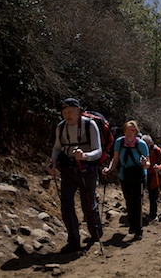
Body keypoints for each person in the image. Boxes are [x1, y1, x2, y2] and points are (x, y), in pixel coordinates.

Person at [48, 98, 103, 253]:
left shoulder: (89, 125)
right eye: (64, 112)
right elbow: (57, 147)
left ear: (79, 111)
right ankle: (73, 241)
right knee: (66, 204)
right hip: (68, 170)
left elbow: (98, 150)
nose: (68, 115)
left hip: (87, 170)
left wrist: (85, 155)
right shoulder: (61, 127)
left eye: (71, 112)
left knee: (88, 204)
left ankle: (96, 232)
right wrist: (53, 162)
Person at [102, 120, 150, 240]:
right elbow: (116, 159)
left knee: (137, 201)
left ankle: (138, 230)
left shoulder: (142, 144)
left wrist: (145, 163)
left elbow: (147, 163)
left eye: (132, 130)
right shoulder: (119, 142)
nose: (129, 133)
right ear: (124, 131)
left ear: (136, 132)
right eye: (127, 130)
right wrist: (109, 169)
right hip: (125, 175)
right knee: (129, 200)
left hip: (139, 175)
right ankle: (132, 225)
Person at [141, 135, 161, 222]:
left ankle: (153, 215)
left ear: (150, 143)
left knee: (153, 196)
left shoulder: (156, 150)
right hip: (142, 175)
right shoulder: (140, 149)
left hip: (154, 176)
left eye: (147, 143)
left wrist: (159, 167)